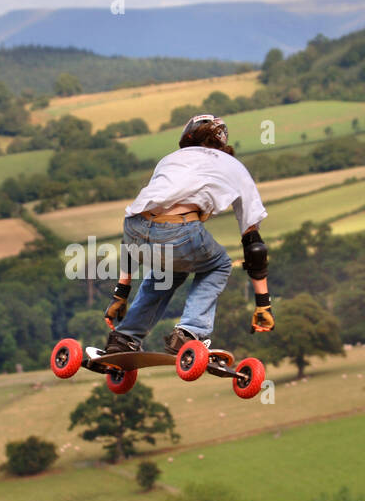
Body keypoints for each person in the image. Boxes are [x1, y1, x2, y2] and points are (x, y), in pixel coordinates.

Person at [102, 113, 274, 355]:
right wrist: (263, 303)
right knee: (220, 264)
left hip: (133, 228)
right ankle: (190, 333)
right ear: (221, 144)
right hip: (178, 232)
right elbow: (254, 245)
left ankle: (124, 337)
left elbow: (140, 223)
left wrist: (121, 293)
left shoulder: (169, 160)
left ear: (187, 138)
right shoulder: (234, 166)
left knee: (170, 272)